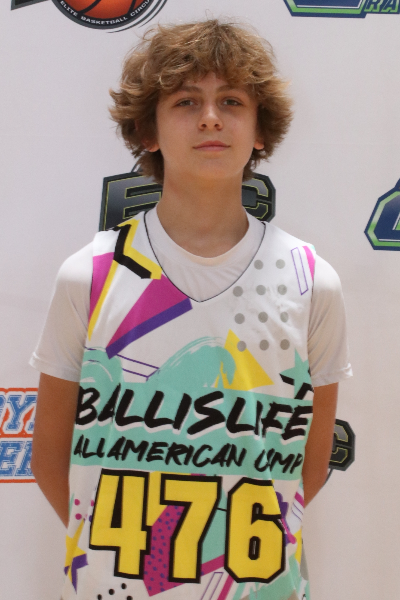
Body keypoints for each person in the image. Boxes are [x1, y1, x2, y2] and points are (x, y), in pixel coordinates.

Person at [30, 19, 352, 600]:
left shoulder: (311, 282)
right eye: (185, 101)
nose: (209, 118)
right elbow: (50, 458)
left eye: (231, 101)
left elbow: (310, 461)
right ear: (147, 130)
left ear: (260, 130)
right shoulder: (90, 275)